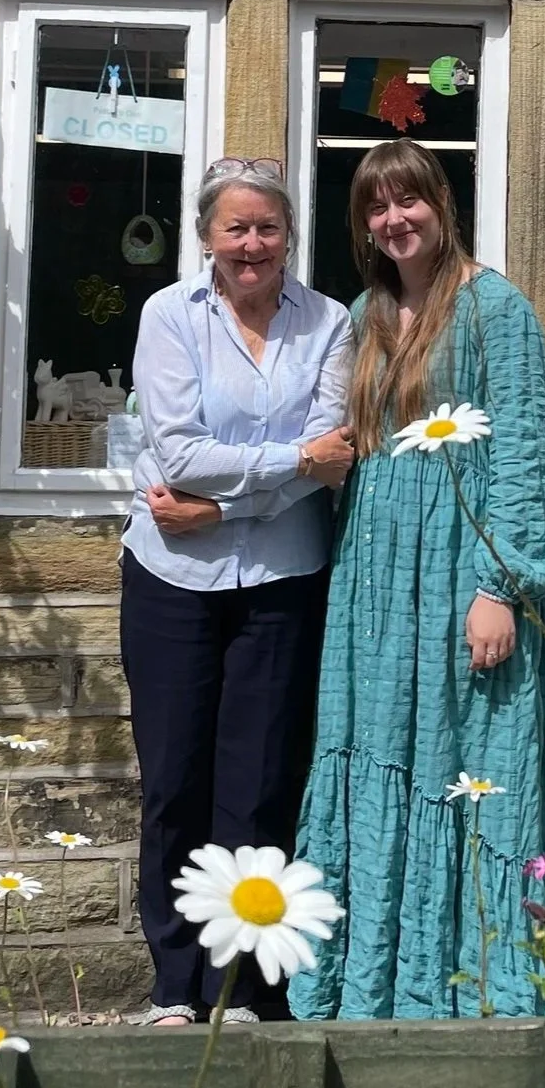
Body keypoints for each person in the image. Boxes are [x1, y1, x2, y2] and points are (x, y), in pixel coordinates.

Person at [288, 138, 545, 1019]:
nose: (394, 219)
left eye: (407, 200)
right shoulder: (365, 313)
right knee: (379, 751)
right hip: (375, 582)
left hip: (463, 573)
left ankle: (484, 984)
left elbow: (526, 456)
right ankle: (374, 982)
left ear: (441, 204)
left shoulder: (495, 308)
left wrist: (502, 585)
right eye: (376, 206)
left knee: (470, 761)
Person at [121, 158, 355, 1024]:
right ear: (206, 236)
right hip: (171, 576)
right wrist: (292, 462)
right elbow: (179, 449)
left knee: (259, 783)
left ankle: (247, 985)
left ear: (289, 235)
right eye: (236, 228)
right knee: (173, 779)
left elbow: (336, 449)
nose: (252, 244)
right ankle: (175, 982)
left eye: (267, 227)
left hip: (283, 579)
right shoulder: (168, 315)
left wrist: (221, 504)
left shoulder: (329, 321)